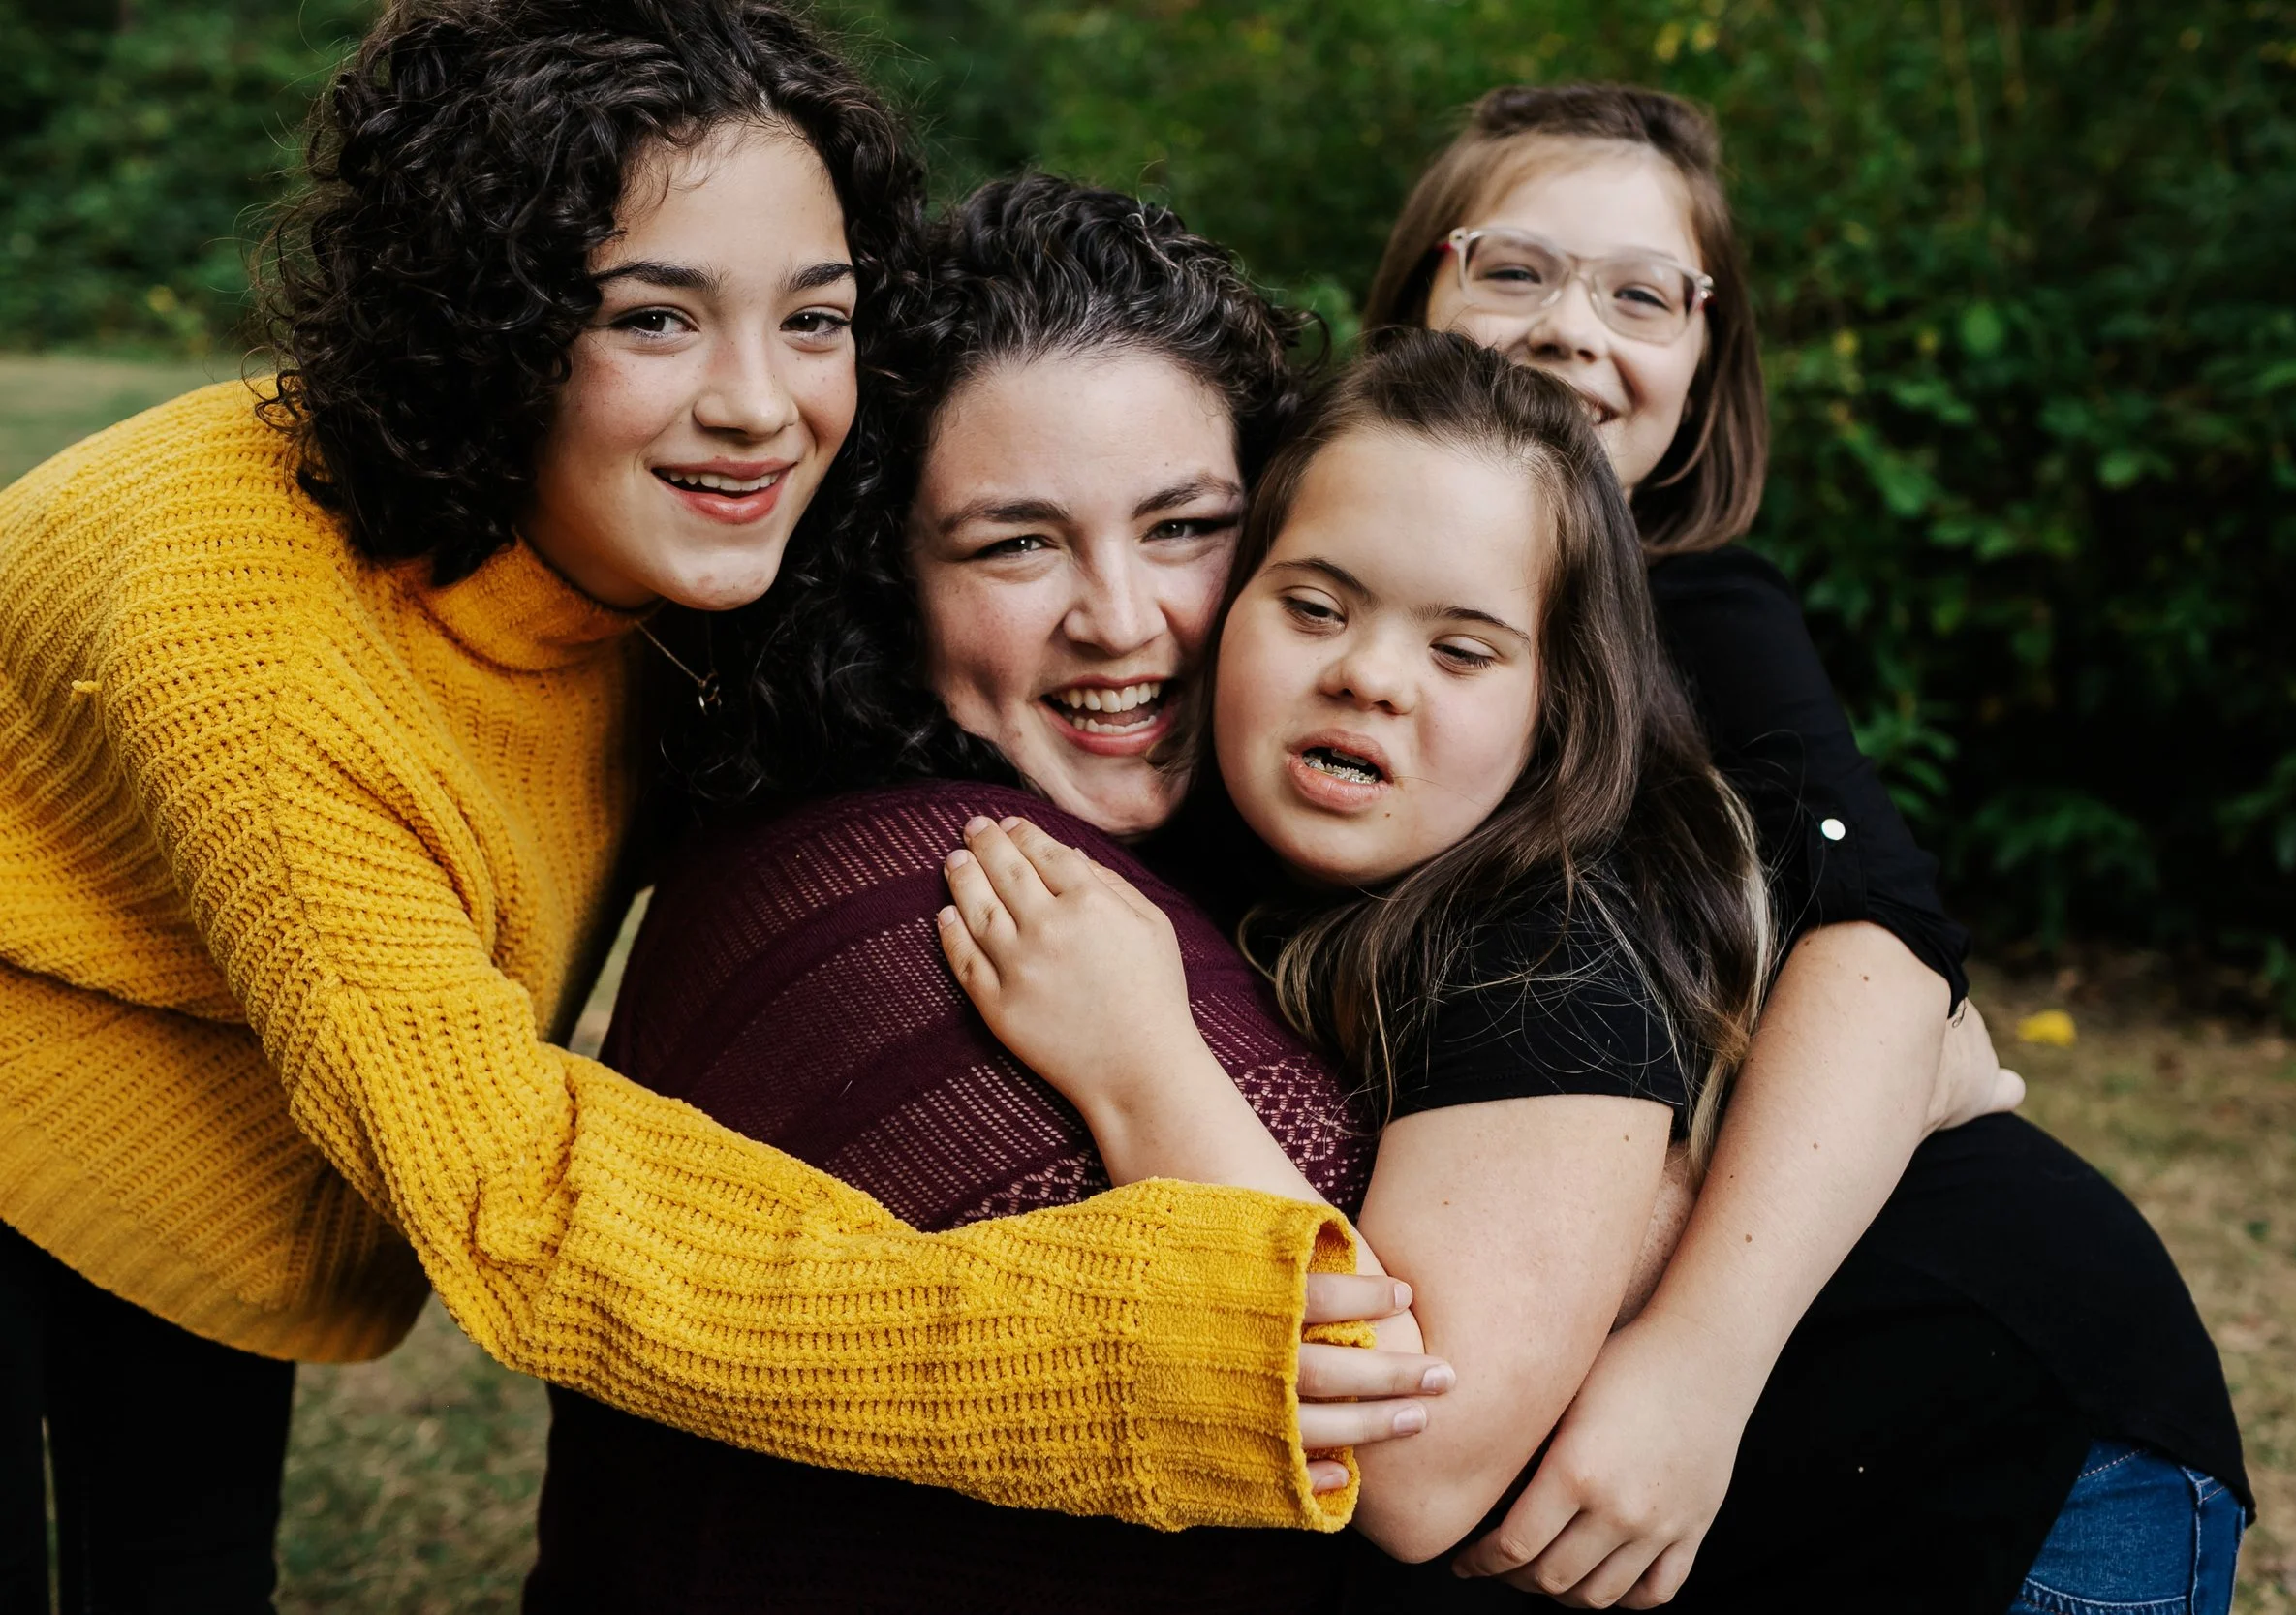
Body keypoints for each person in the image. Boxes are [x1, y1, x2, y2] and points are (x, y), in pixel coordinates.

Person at [0, 7, 1431, 1608]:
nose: (760, 404)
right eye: (655, 318)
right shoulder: (240, 626)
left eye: (813, 318)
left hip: (205, 1121)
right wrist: (1106, 1351)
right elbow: (521, 1198)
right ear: (487, 320)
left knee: (181, 1568)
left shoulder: (700, 554)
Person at [529, 173, 1467, 1615]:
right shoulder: (960, 907)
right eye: (1016, 542)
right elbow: (1405, 1405)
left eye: (1185, 527)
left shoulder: (1195, 847)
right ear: (884, 576)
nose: (1119, 616)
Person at [1368, 83, 2248, 1611]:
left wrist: (1692, 1361)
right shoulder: (1319, 633)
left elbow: (1881, 948)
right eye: (1513, 266)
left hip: (2024, 1420)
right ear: (1408, 309)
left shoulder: (1700, 618)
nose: (1575, 326)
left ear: (1704, 369)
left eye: (1643, 292)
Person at [937, 328, 1778, 1572]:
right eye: (1316, 607)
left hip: (2043, 1513)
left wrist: (1137, 1063)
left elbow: (1413, 1466)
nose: (1370, 675)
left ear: (1557, 705)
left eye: (1462, 648)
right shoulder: (1256, 849)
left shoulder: (1553, 939)